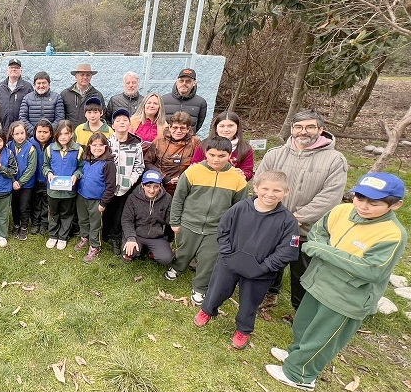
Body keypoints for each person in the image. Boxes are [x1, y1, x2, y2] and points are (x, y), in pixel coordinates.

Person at [266, 172, 407, 392]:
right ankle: (296, 355)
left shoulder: (392, 234)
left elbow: (372, 269)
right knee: (304, 325)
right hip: (319, 282)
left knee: (323, 336)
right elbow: (318, 233)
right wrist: (324, 248)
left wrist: (323, 250)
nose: (364, 206)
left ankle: (300, 374)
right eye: (360, 199)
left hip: (347, 295)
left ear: (395, 205)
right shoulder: (341, 211)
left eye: (374, 203)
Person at [256, 110, 348, 319]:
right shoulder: (275, 154)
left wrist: (295, 218)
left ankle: (300, 311)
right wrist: (273, 214)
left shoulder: (334, 160)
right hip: (272, 223)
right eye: (298, 127)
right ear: (292, 129)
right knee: (271, 262)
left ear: (320, 130)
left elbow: (330, 197)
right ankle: (269, 294)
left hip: (307, 229)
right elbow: (259, 183)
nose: (303, 131)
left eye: (309, 127)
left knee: (301, 271)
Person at [193, 170, 300, 349]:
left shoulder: (288, 221)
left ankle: (243, 329)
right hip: (229, 263)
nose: (270, 194)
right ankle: (207, 311)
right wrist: (227, 254)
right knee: (217, 290)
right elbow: (223, 230)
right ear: (256, 188)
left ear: (286, 192)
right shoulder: (240, 208)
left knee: (250, 301)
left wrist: (265, 267)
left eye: (277, 191)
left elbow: (287, 251)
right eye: (265, 188)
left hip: (260, 271)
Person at [166, 137, 248, 306]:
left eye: (221, 156)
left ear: (230, 155)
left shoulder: (237, 179)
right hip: (189, 222)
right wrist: (175, 221)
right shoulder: (192, 172)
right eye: (212, 155)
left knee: (208, 260)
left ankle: (200, 287)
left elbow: (239, 208)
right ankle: (178, 267)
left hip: (216, 229)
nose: (216, 159)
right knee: (184, 250)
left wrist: (232, 231)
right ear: (205, 153)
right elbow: (178, 198)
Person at [104, 109, 145, 255]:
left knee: (119, 214)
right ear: (113, 125)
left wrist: (131, 180)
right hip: (108, 186)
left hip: (125, 187)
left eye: (125, 120)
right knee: (106, 211)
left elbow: (139, 166)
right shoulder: (107, 142)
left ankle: (116, 237)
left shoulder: (136, 144)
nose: (121, 122)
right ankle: (104, 235)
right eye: (118, 120)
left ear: (129, 123)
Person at [43, 120, 83, 250]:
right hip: (53, 190)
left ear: (71, 134)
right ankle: (53, 235)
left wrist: (75, 175)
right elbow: (45, 166)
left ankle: (62, 237)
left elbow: (81, 168)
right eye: (61, 134)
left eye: (67, 133)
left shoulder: (78, 150)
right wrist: (48, 173)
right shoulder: (50, 149)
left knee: (67, 214)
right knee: (53, 213)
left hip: (69, 191)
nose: (63, 137)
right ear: (56, 134)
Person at [75, 133, 115, 262]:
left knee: (95, 224)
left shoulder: (108, 164)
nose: (97, 148)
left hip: (97, 200)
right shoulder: (86, 160)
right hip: (81, 196)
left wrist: (103, 203)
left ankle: (94, 246)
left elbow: (111, 186)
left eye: (100, 145)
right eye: (94, 145)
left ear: (106, 147)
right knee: (83, 220)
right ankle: (84, 238)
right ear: (89, 146)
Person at [121, 170, 174, 266]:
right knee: (130, 252)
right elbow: (126, 220)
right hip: (137, 234)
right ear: (142, 185)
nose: (152, 190)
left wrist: (170, 237)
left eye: (156, 187)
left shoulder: (167, 198)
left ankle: (152, 252)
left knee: (166, 259)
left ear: (160, 186)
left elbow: (169, 220)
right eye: (148, 186)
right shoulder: (132, 198)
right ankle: (136, 250)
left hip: (156, 236)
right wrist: (131, 238)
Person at [143, 111, 201, 197]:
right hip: (160, 184)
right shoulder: (159, 140)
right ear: (169, 127)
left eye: (182, 128)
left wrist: (182, 178)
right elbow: (147, 162)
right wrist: (165, 177)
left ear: (188, 129)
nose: (178, 131)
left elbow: (198, 164)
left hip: (184, 186)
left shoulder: (195, 142)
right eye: (175, 127)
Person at [191, 111, 254, 181]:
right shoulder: (204, 145)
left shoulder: (245, 148)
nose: (226, 130)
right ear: (216, 128)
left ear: (237, 127)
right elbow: (194, 165)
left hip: (231, 186)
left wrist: (242, 174)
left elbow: (248, 172)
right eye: (222, 126)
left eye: (230, 126)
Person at [7, 120, 37, 240]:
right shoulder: (9, 146)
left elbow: (31, 168)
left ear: (26, 133)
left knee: (24, 206)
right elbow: (7, 164)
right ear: (12, 135)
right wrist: (13, 180)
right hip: (12, 183)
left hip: (26, 184)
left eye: (22, 133)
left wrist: (20, 182)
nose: (20, 136)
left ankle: (24, 227)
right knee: (14, 205)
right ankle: (16, 224)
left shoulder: (31, 148)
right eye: (17, 134)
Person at [0, 57, 34, 131]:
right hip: (3, 130)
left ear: (21, 71)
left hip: (21, 131)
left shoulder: (28, 87)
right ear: (7, 71)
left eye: (16, 68)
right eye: (11, 67)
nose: (14, 69)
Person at [19, 71, 64, 136]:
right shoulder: (27, 98)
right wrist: (35, 132)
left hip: (51, 138)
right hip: (32, 137)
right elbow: (22, 118)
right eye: (38, 83)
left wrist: (48, 132)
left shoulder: (57, 98)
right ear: (34, 85)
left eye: (44, 83)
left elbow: (60, 118)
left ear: (49, 84)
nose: (41, 86)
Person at [30, 119, 54, 236]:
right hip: (34, 180)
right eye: (39, 131)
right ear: (35, 132)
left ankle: (44, 223)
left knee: (46, 203)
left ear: (50, 133)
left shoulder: (54, 145)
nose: (42, 134)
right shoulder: (30, 143)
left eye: (45, 132)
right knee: (35, 202)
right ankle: (35, 222)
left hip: (47, 181)